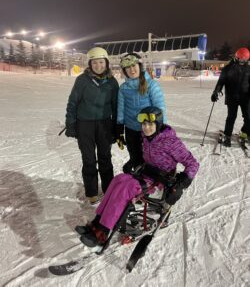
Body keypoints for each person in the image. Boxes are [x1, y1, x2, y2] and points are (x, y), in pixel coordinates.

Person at [77, 106, 199, 247]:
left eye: (150, 124)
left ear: (158, 124)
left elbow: (193, 164)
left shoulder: (170, 141)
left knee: (127, 188)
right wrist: (133, 162)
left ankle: (103, 232)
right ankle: (97, 222)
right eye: (144, 124)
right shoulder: (147, 138)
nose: (146, 128)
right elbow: (146, 157)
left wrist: (181, 184)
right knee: (118, 179)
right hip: (147, 174)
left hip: (162, 181)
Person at [65, 47, 119, 205]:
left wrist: (116, 128)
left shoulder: (112, 82)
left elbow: (116, 106)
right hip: (85, 125)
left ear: (106, 63)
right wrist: (71, 124)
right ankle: (92, 192)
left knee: (105, 158)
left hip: (104, 124)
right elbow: (72, 103)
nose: (98, 65)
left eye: (101, 62)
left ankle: (109, 189)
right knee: (88, 159)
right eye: (94, 62)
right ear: (90, 64)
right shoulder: (82, 80)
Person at [116, 53, 167, 173]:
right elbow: (121, 109)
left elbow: (160, 107)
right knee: (135, 156)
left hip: (149, 129)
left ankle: (152, 178)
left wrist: (162, 127)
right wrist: (119, 128)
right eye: (128, 67)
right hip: (131, 130)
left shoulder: (152, 85)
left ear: (140, 66)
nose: (131, 70)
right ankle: (140, 182)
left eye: (134, 65)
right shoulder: (123, 88)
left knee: (150, 157)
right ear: (124, 71)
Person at [211, 47, 250, 147]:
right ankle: (227, 135)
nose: (242, 62)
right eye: (241, 59)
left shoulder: (249, 69)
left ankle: (244, 133)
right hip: (232, 97)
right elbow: (221, 82)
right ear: (236, 57)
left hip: (245, 97)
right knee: (231, 117)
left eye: (245, 60)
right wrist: (216, 92)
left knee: (248, 117)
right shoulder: (227, 68)